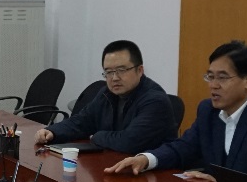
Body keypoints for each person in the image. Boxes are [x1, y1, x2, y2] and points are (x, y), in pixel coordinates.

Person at [105, 40, 247, 182]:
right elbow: (183, 148)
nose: (213, 85)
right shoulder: (208, 111)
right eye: (210, 76)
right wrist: (146, 159)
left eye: (222, 77)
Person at [34, 40, 176, 153]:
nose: (114, 78)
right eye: (108, 72)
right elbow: (81, 121)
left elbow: (129, 142)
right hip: (114, 162)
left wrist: (97, 136)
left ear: (140, 70)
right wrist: (52, 131)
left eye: (121, 70)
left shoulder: (155, 101)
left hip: (152, 174)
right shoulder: (106, 94)